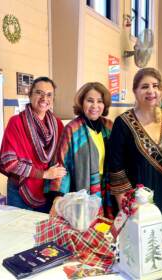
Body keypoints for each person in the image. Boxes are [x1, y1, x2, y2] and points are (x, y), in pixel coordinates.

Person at [108, 68, 162, 236]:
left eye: (155, 86)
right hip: (136, 199)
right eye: (144, 86)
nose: (151, 91)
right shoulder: (123, 123)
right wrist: (126, 208)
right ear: (135, 91)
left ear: (161, 89)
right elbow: (116, 167)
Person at [0, 77, 66, 212]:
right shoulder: (16, 122)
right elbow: (10, 163)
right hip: (19, 189)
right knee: (19, 230)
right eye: (39, 92)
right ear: (30, 95)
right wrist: (44, 174)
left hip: (47, 190)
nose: (44, 98)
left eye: (49, 94)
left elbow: (61, 159)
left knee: (43, 230)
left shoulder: (58, 125)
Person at [45, 82, 114, 219]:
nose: (95, 106)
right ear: (81, 103)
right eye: (90, 101)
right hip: (82, 192)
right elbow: (62, 164)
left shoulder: (110, 127)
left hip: (108, 190)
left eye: (99, 101)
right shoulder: (72, 129)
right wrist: (58, 197)